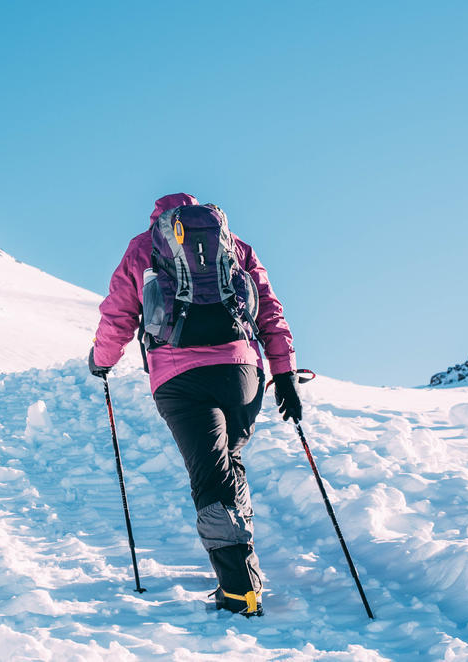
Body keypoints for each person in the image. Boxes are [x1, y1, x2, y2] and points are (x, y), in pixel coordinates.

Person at [87, 193, 300, 617]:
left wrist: (101, 361)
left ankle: (239, 590)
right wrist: (285, 372)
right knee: (228, 462)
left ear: (160, 218)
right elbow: (270, 311)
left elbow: (119, 314)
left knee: (210, 476)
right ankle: (243, 570)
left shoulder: (144, 246)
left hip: (178, 375)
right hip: (242, 371)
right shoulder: (234, 244)